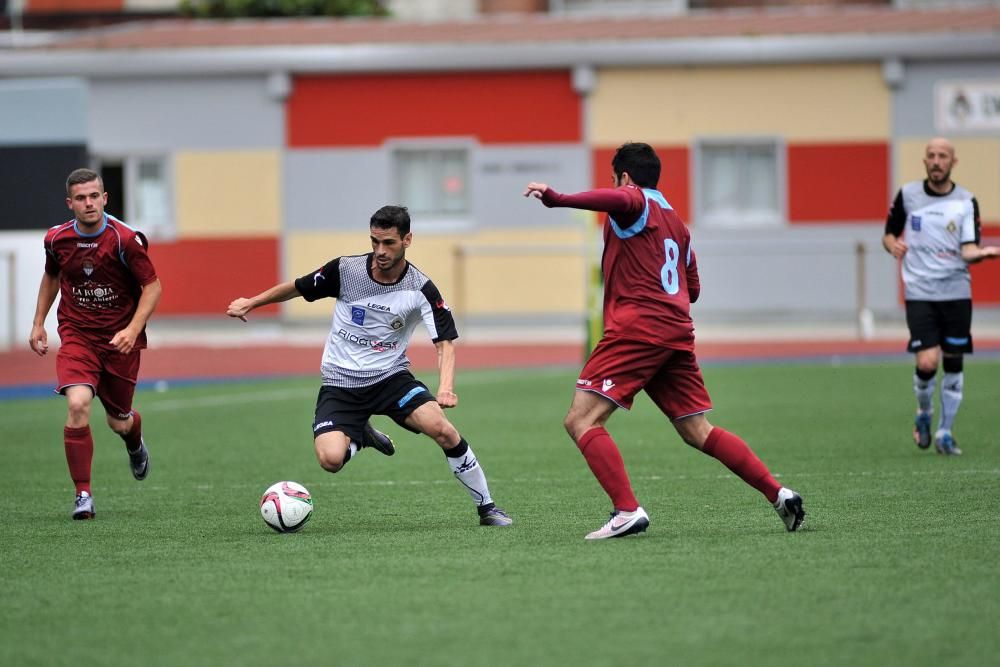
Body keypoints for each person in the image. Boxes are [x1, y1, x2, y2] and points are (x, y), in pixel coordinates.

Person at [523, 142, 804, 540]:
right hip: (675, 332)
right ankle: (780, 495)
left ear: (624, 177)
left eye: (615, 180)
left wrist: (558, 199)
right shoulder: (677, 223)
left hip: (638, 330)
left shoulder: (634, 201)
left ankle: (626, 510)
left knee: (581, 419)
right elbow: (694, 288)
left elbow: (618, 199)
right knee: (697, 430)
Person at [226, 205, 512, 527]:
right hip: (339, 383)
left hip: (391, 379)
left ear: (407, 240)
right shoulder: (345, 270)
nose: (379, 251)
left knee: (442, 429)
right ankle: (361, 436)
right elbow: (298, 286)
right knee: (330, 460)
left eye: (388, 243)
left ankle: (487, 507)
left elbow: (444, 342)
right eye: (374, 241)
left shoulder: (421, 289)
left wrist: (445, 388)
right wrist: (252, 301)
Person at [29, 168, 162, 520]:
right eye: (81, 198)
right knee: (77, 403)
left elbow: (153, 288)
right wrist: (39, 322)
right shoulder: (57, 240)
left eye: (94, 196)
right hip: (77, 335)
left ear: (105, 198)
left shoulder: (125, 240)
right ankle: (83, 494)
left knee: (118, 422)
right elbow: (53, 276)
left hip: (120, 341)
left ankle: (134, 441)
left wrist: (133, 330)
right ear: (69, 203)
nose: (88, 203)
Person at [883, 137, 999, 456]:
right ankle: (924, 413)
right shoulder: (908, 195)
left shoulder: (965, 201)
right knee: (928, 360)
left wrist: (984, 254)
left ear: (953, 162)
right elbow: (889, 233)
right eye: (931, 156)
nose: (936, 161)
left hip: (956, 292)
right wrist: (892, 244)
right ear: (925, 161)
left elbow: (969, 250)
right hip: (920, 290)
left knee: (953, 361)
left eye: (942, 156)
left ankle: (945, 432)